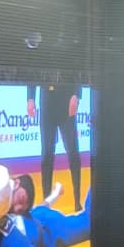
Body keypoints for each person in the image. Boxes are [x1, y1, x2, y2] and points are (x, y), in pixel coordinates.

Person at [27, 83, 84, 212]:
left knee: (73, 152)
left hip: (66, 98)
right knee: (47, 154)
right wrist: (30, 97)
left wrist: (76, 95)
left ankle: (77, 202)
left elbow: (79, 71)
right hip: (47, 100)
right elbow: (33, 73)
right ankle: (46, 204)